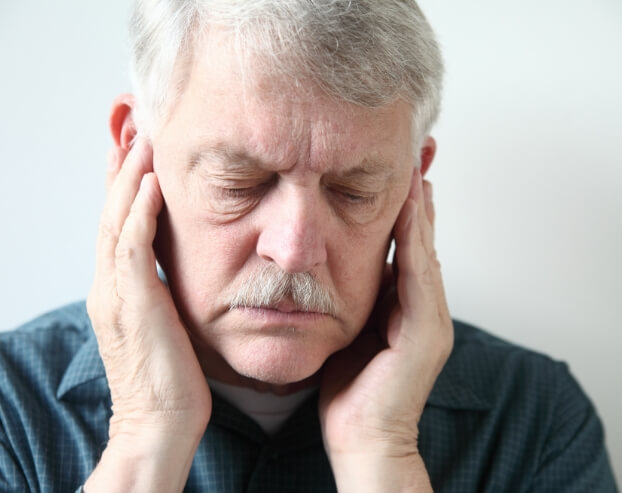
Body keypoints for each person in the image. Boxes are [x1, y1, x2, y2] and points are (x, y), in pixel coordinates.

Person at [0, 1, 617, 491]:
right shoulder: (12, 407)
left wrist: (384, 455)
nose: (295, 250)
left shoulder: (535, 417)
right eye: (239, 183)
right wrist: (145, 437)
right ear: (136, 150)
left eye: (353, 190)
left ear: (413, 182)